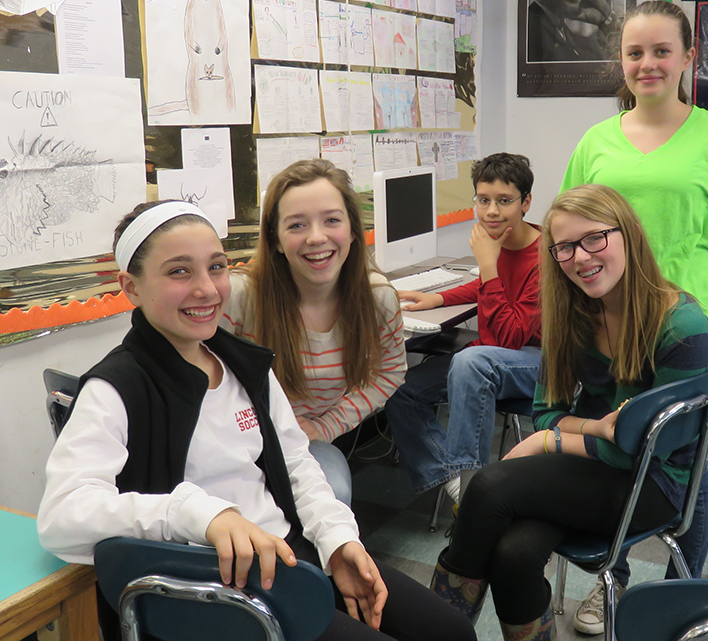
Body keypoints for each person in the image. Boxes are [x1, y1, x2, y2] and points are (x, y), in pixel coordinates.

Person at [37, 201, 476, 641]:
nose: (207, 289)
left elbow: (296, 465)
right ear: (131, 287)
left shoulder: (243, 364)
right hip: (212, 585)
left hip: (289, 554)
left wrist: (338, 539)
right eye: (179, 272)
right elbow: (62, 517)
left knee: (451, 631)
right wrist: (197, 513)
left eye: (217, 267)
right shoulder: (117, 387)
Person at [430, 184, 708, 641]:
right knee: (514, 553)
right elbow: (546, 411)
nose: (580, 257)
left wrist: (553, 439)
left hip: (654, 485)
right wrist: (585, 429)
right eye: (564, 247)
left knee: (489, 485)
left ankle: (434, 631)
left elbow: (645, 451)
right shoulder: (573, 312)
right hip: (588, 465)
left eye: (594, 238)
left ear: (629, 235)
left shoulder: (681, 326)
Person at [561, 0, 708, 634]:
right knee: (614, 451)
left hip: (683, 330)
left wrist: (700, 308)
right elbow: (568, 223)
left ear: (687, 57)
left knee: (686, 463)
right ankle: (611, 582)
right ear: (622, 62)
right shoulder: (597, 140)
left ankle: (682, 593)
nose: (647, 63)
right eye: (634, 52)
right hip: (609, 327)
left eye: (661, 51)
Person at [222, 160, 407, 506]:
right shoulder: (240, 297)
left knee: (331, 497)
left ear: (353, 230)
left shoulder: (378, 299)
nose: (317, 237)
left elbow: (390, 371)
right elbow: (205, 382)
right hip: (237, 441)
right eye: (296, 225)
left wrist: (326, 427)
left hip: (308, 442)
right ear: (275, 239)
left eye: (332, 220)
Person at [385, 152, 542, 502]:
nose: (492, 212)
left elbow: (510, 337)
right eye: (483, 200)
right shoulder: (498, 242)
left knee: (472, 362)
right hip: (490, 357)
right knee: (400, 387)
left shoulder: (543, 256)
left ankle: (476, 492)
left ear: (526, 202)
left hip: (538, 360)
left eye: (504, 201)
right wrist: (439, 299)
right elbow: (492, 285)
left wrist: (487, 263)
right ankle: (456, 482)